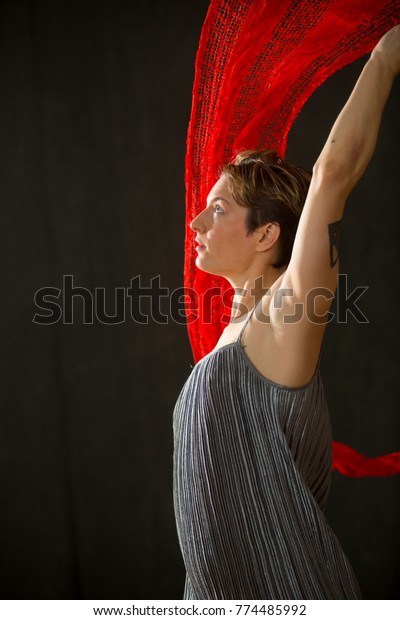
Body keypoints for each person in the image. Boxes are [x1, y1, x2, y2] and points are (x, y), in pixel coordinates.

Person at [173, 25, 400, 600]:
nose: (196, 225)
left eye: (217, 209)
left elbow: (332, 175)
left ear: (267, 233)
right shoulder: (229, 336)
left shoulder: (286, 315)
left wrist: (385, 58)